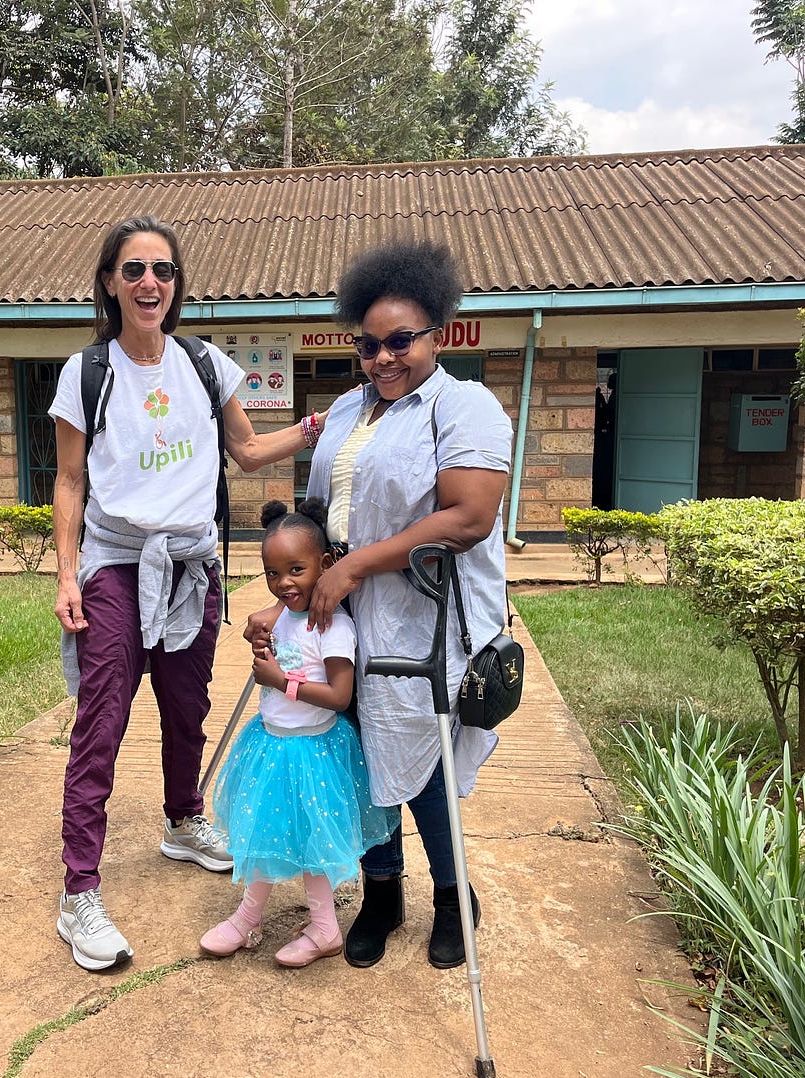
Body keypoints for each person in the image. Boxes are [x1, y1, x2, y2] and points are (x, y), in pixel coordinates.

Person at [48, 214, 332, 972]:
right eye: (135, 269)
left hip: (191, 567)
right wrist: (66, 572)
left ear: (177, 285)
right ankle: (80, 893)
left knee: (187, 708)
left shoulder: (205, 366)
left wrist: (312, 427)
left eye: (164, 271)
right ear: (111, 281)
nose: (150, 283)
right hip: (115, 564)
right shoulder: (87, 372)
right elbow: (70, 480)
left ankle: (182, 819)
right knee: (101, 721)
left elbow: (244, 450)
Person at [247, 238, 512, 970]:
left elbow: (468, 517)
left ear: (441, 334)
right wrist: (290, 597)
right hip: (344, 621)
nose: (384, 358)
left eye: (401, 341)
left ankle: (455, 896)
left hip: (427, 622)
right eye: (368, 345)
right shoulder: (345, 410)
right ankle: (384, 894)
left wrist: (356, 565)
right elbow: (313, 517)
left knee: (420, 763)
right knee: (360, 758)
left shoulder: (466, 408)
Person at [201, 499, 396, 968]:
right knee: (264, 833)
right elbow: (282, 647)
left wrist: (280, 681)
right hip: (270, 745)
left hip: (314, 752)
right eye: (272, 573)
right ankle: (249, 916)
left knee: (314, 843)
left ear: (325, 566)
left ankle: (325, 927)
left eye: (296, 569)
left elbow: (339, 696)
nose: (283, 583)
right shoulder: (283, 617)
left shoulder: (334, 627)